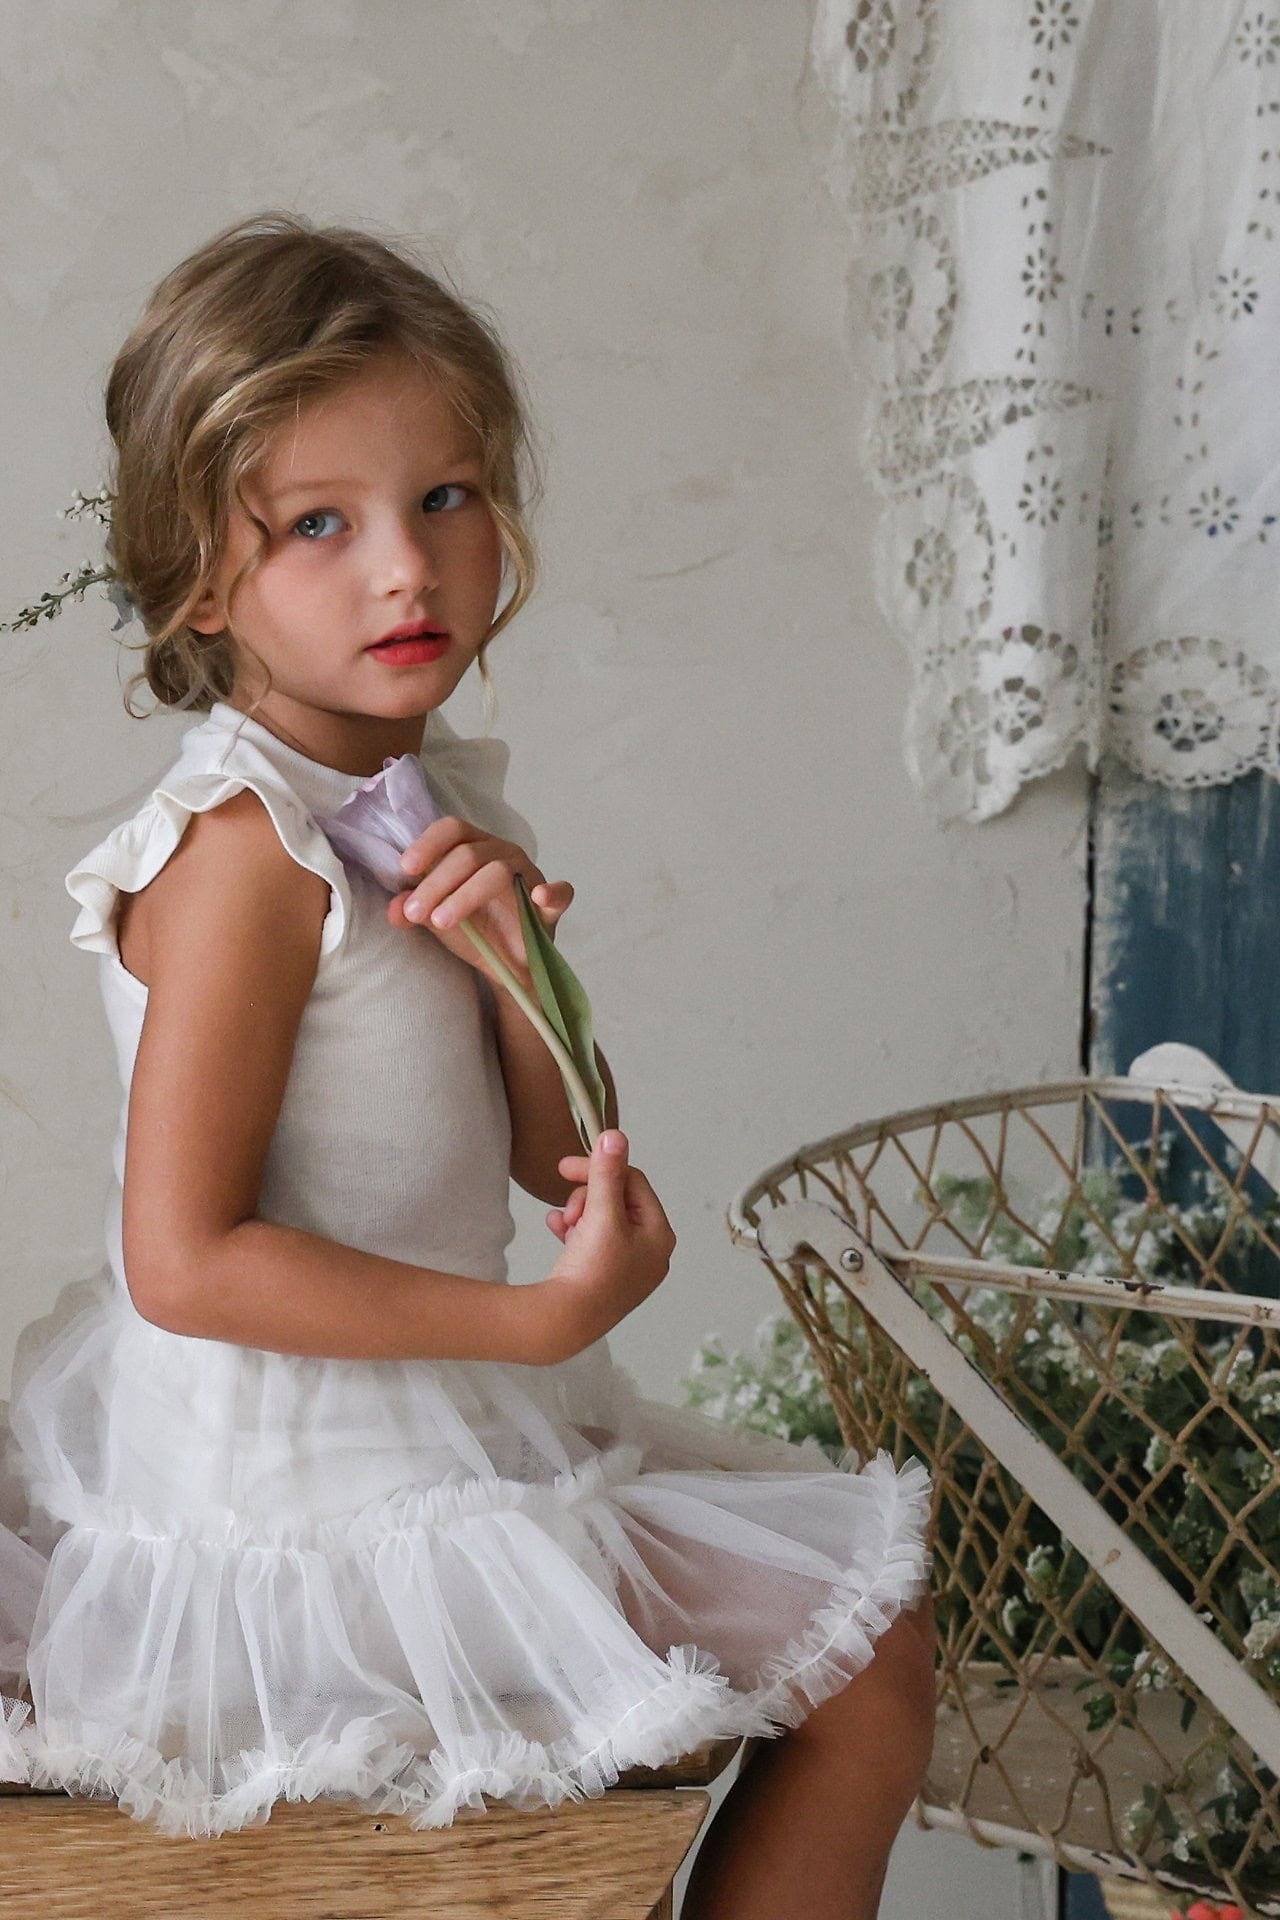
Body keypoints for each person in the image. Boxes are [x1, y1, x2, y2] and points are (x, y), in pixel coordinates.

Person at [5, 212, 937, 1919]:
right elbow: (184, 1260)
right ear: (199, 578)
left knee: (861, 1657)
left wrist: (515, 959)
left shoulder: (436, 806)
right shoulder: (247, 854)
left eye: (445, 496)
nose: (407, 569)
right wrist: (537, 1325)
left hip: (443, 1422)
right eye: (318, 524)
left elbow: (545, 1150)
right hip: (304, 1489)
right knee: (846, 1666)